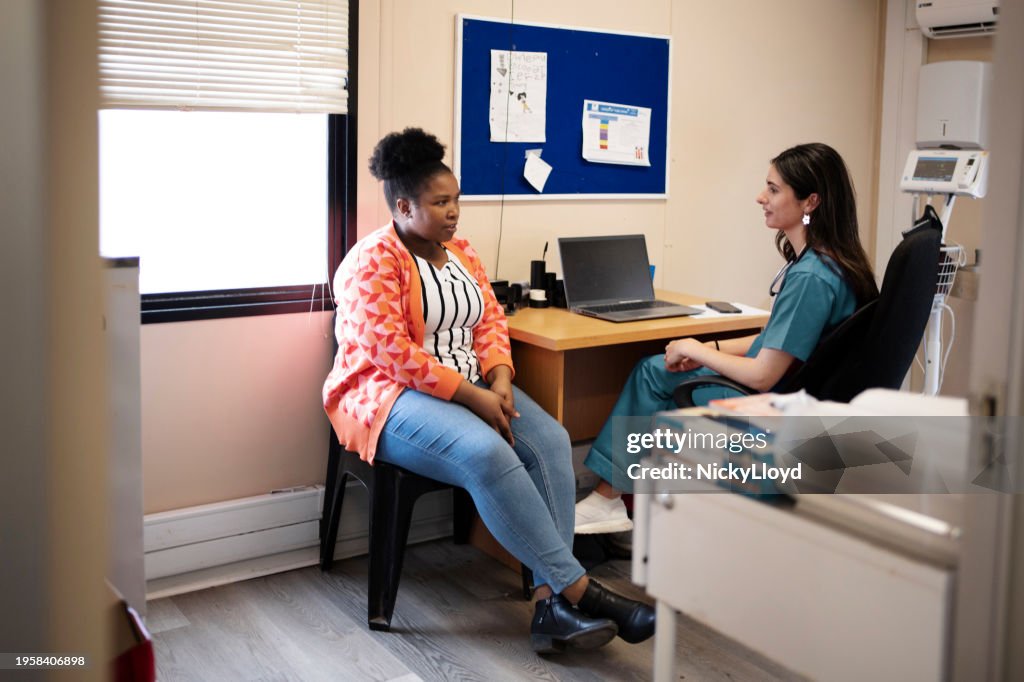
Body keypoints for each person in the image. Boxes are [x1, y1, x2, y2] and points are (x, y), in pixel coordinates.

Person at [322, 128, 655, 653]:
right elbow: (392, 353)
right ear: (404, 206)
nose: (454, 212)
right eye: (440, 202)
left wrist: (498, 377)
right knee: (485, 451)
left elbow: (490, 320)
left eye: (456, 200)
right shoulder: (371, 261)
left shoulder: (461, 252)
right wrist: (473, 396)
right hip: (389, 398)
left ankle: (550, 604)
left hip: (475, 383)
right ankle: (581, 590)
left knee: (550, 442)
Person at [575, 142, 879, 534]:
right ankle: (616, 500)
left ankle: (609, 499)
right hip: (797, 390)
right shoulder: (830, 262)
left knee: (652, 374)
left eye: (773, 189)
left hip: (771, 402)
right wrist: (707, 350)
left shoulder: (810, 278)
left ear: (810, 201)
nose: (760, 197)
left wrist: (698, 350)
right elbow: (778, 339)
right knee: (660, 367)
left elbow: (763, 375)